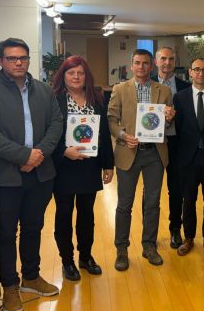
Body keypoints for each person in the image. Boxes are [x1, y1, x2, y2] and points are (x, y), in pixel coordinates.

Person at [0, 38, 63, 311]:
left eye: (23, 57)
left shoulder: (44, 91)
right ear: (1, 61)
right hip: (5, 176)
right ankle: (9, 286)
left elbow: (56, 125)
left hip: (41, 174)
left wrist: (37, 156)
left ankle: (31, 277)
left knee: (34, 228)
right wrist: (23, 156)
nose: (19, 62)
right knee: (6, 233)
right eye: (12, 58)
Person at [107, 48, 175, 270]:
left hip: (154, 153)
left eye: (145, 63)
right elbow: (112, 120)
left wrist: (169, 119)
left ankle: (149, 246)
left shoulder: (163, 91)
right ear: (131, 65)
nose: (141, 67)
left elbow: (166, 125)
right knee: (124, 204)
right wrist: (122, 135)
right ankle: (121, 249)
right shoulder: (119, 89)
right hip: (128, 152)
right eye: (137, 63)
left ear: (151, 65)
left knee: (152, 203)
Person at [51, 55, 114, 281]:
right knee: (64, 214)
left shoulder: (96, 98)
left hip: (89, 165)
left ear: (86, 75)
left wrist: (108, 164)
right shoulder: (54, 98)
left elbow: (104, 133)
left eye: (80, 73)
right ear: (63, 75)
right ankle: (67, 261)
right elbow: (46, 132)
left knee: (87, 215)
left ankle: (85, 257)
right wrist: (63, 151)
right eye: (71, 73)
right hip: (64, 166)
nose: (76, 77)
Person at [173, 57, 204, 257]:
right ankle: (189, 238)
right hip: (188, 159)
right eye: (196, 70)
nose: (200, 73)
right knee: (188, 200)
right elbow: (176, 129)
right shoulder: (180, 97)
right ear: (190, 73)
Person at [151, 46, 190, 249]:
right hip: (153, 145)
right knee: (152, 191)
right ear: (156, 61)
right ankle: (150, 235)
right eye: (163, 59)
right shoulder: (146, 85)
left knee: (176, 190)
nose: (167, 62)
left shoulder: (185, 87)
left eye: (171, 59)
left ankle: (175, 228)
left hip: (177, 144)